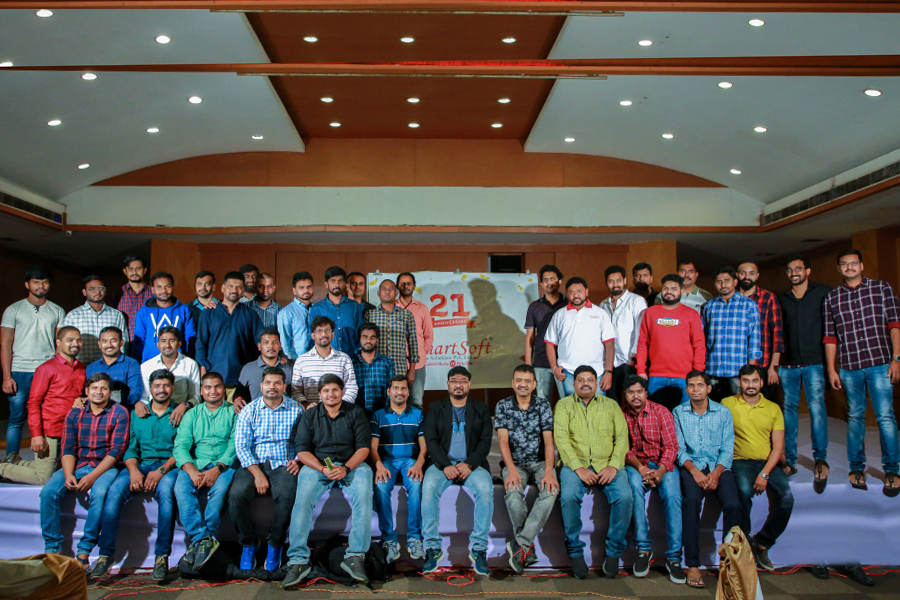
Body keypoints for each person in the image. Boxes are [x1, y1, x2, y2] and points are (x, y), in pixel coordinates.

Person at [282, 374, 373, 588]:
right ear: (319, 394)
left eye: (335, 389)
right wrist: (323, 468)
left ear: (342, 391)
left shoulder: (356, 413)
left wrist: (346, 468)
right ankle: (298, 560)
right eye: (325, 390)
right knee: (302, 501)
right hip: (319, 466)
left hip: (351, 465)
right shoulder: (309, 415)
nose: (330, 394)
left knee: (364, 494)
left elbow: (363, 448)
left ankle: (355, 556)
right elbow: (302, 451)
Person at [823, 248, 900, 495]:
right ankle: (856, 467)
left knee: (885, 417)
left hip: (880, 363)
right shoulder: (832, 298)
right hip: (849, 367)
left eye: (854, 262)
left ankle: (892, 470)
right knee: (855, 417)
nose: (849, 267)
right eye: (844, 263)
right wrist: (831, 369)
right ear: (839, 268)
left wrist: (896, 358)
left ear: (861, 265)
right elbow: (830, 337)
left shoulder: (882, 288)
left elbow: (895, 325)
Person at [94, 369, 180, 581]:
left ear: (172, 388)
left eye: (166, 385)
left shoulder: (181, 413)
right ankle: (105, 555)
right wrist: (133, 471)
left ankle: (161, 557)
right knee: (114, 492)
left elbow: (181, 450)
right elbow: (130, 449)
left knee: (167, 495)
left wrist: (161, 471)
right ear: (150, 389)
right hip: (140, 464)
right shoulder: (137, 414)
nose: (161, 390)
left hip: (169, 466)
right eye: (157, 386)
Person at [39, 373, 129, 570]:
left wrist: (92, 477)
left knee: (100, 493)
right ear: (86, 391)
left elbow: (116, 451)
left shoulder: (119, 412)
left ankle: (84, 552)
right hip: (78, 464)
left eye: (103, 388)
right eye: (94, 388)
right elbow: (68, 448)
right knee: (48, 492)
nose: (99, 392)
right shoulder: (74, 414)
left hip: (105, 466)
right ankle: (52, 549)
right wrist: (69, 474)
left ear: (110, 392)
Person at [555, 365, 631, 579]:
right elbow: (561, 438)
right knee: (568, 496)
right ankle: (575, 551)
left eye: (590, 380)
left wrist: (613, 465)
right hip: (575, 464)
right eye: (581, 380)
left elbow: (622, 437)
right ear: (573, 383)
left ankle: (613, 552)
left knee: (625, 497)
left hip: (607, 463)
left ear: (597, 383)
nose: (586, 383)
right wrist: (578, 468)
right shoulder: (563, 405)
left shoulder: (611, 405)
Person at [421, 367, 494, 577]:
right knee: (428, 488)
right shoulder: (436, 408)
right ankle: (433, 548)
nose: (458, 385)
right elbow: (431, 440)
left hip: (472, 465)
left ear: (469, 384)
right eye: (454, 381)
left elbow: (485, 442)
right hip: (442, 465)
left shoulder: (481, 409)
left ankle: (479, 549)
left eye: (463, 381)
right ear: (448, 384)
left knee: (485, 489)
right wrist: (446, 465)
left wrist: (469, 464)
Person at [672, 370, 741, 588]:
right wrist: (694, 471)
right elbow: (679, 449)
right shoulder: (678, 412)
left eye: (700, 385)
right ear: (687, 389)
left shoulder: (723, 412)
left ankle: (729, 563)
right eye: (692, 385)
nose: (696, 389)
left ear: (709, 388)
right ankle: (693, 564)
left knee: (733, 503)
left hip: (718, 466)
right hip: (691, 466)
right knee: (691, 501)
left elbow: (728, 448)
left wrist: (717, 472)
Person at [230, 368, 303, 571]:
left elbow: (304, 441)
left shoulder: (296, 409)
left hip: (284, 463)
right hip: (254, 462)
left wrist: (298, 460)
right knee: (236, 495)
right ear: (261, 386)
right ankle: (249, 543)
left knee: (287, 495)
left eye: (277, 383)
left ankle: (275, 544)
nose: (272, 387)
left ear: (284, 387)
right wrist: (258, 474)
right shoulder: (249, 410)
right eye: (268, 383)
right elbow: (242, 446)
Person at [722, 365, 793, 571]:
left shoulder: (773, 408)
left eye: (754, 381)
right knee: (744, 494)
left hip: (766, 461)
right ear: (739, 383)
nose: (750, 385)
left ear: (761, 382)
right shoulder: (727, 403)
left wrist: (764, 474)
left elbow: (778, 447)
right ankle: (744, 548)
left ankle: (762, 542)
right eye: (746, 381)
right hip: (740, 460)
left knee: (787, 498)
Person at [621, 375, 685, 583]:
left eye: (639, 392)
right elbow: (622, 448)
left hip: (662, 464)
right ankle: (643, 550)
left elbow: (671, 446)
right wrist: (640, 468)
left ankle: (674, 558)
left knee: (674, 497)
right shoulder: (621, 415)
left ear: (646, 393)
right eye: (631, 392)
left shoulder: (661, 412)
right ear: (626, 395)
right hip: (636, 465)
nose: (635, 396)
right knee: (633, 489)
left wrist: (661, 471)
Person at [0, 327, 84, 484]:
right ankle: (2, 468)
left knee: (61, 471)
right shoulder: (46, 369)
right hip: (50, 430)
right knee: (44, 478)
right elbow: (33, 403)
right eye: (70, 340)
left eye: (78, 340)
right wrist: (37, 435)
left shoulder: (81, 368)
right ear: (58, 342)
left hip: (71, 430)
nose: (75, 343)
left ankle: (17, 462)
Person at [494, 364, 558, 574]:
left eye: (527, 381)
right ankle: (526, 547)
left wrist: (549, 471)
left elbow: (549, 441)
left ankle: (520, 543)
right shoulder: (503, 406)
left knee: (550, 491)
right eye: (519, 380)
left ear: (534, 384)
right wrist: (511, 470)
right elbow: (503, 442)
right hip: (515, 464)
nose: (523, 384)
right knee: (513, 494)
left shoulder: (543, 405)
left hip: (540, 463)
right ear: (513, 383)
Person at [173, 371, 238, 572]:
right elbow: (181, 446)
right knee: (180, 488)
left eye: (217, 386)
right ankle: (202, 539)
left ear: (224, 390)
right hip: (197, 463)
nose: (213, 391)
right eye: (208, 387)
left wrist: (218, 469)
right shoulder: (192, 414)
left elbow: (235, 444)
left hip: (224, 464)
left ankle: (203, 541)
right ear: (201, 391)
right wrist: (191, 470)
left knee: (219, 493)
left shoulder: (233, 412)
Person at [2, 266, 66, 460]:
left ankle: (47, 463)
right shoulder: (13, 309)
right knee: (16, 419)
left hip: (47, 371)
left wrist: (60, 373)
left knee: (49, 418)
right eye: (36, 282)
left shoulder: (57, 310)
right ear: (27, 284)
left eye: (44, 282)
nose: (41, 286)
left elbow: (60, 345)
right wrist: (6, 377)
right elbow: (5, 344)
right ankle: (11, 461)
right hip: (20, 371)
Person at [778, 254, 832, 480]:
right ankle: (790, 460)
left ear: (807, 271)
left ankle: (820, 458)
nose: (794, 273)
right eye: (790, 270)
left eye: (798, 268)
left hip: (814, 362)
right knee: (789, 411)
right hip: (788, 364)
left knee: (817, 409)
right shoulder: (781, 298)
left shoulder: (824, 292)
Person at [370, 376, 427, 563]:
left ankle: (415, 538)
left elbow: (424, 446)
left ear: (408, 392)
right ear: (388, 392)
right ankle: (388, 539)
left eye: (403, 388)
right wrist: (378, 464)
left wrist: (419, 464)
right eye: (396, 388)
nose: (399, 392)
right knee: (380, 486)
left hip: (410, 461)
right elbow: (372, 447)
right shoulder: (378, 416)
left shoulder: (418, 414)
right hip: (387, 461)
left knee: (416, 485)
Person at [636, 274, 706, 409]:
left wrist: (697, 372)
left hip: (684, 376)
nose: (669, 292)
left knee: (684, 415)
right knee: (656, 415)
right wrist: (640, 369)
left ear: (681, 291)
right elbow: (642, 343)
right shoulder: (650, 313)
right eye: (666, 288)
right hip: (656, 375)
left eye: (674, 289)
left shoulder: (692, 314)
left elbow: (699, 345)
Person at [195, 271, 262, 402]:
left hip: (240, 379)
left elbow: (261, 342)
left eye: (238, 287)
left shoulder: (250, 314)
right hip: (213, 376)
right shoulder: (208, 312)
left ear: (243, 290)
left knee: (235, 413)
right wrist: (203, 369)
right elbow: (200, 343)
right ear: (222, 288)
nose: (234, 290)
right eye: (230, 286)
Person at [544, 276, 616, 398]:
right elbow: (550, 343)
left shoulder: (600, 314)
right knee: (571, 407)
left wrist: (608, 372)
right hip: (568, 372)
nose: (575, 295)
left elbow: (609, 345)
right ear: (567, 294)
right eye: (571, 292)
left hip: (597, 372)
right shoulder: (559, 315)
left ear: (586, 292)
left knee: (597, 407)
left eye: (579, 291)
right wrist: (554, 367)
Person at [702, 266, 761, 401]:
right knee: (715, 407)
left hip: (738, 368)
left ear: (735, 282)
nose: (723, 285)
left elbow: (754, 337)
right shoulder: (709, 307)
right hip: (713, 368)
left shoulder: (749, 305)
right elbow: (703, 337)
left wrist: (751, 368)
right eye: (719, 281)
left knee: (740, 406)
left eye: (727, 280)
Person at [737, 261, 784, 399]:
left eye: (751, 273)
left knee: (765, 404)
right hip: (734, 364)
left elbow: (777, 334)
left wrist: (773, 366)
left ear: (757, 276)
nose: (747, 276)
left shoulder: (768, 298)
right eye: (743, 273)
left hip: (762, 363)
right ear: (737, 275)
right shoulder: (731, 299)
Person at [599, 265, 646, 401]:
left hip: (629, 362)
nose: (615, 284)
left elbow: (641, 331)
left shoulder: (636, 301)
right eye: (611, 281)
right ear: (606, 283)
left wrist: (634, 358)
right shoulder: (603, 305)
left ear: (625, 280)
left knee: (631, 401)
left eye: (618, 280)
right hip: (609, 364)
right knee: (611, 402)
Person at [291, 316, 358, 407]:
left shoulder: (344, 359)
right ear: (313, 335)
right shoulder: (301, 361)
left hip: (339, 412)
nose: (324, 334)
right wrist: (307, 406)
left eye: (327, 330)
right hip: (310, 412)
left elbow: (352, 388)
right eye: (319, 331)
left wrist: (338, 407)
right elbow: (296, 390)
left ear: (332, 334)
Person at [131, 271, 196, 362]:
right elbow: (139, 340)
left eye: (167, 286)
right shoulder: (143, 312)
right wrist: (136, 364)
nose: (163, 291)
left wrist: (190, 361)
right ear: (153, 289)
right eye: (159, 287)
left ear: (173, 287)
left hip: (179, 363)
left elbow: (190, 337)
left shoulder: (184, 310)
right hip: (150, 363)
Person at [524, 265, 566, 403]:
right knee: (542, 402)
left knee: (567, 400)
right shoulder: (534, 307)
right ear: (541, 284)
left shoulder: (568, 305)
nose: (549, 282)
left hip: (565, 362)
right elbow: (529, 338)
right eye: (546, 280)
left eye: (552, 279)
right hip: (541, 362)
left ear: (559, 281)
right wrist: (528, 366)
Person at [138, 327, 201, 420]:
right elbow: (145, 397)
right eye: (163, 341)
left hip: (182, 415)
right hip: (154, 415)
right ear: (158, 344)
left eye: (172, 341)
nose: (167, 345)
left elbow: (196, 396)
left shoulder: (190, 364)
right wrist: (139, 403)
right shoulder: (146, 366)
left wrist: (185, 405)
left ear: (179, 344)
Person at [63, 275, 126, 365]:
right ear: (84, 292)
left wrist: (121, 364)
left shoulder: (116, 315)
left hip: (111, 366)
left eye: (100, 288)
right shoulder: (73, 316)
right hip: (82, 367)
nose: (97, 292)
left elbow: (124, 343)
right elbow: (66, 345)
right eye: (92, 289)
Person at [364, 279, 418, 380]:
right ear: (379, 294)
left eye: (391, 289)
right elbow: (365, 343)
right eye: (384, 289)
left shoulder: (406, 314)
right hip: (376, 369)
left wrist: (412, 370)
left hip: (399, 368)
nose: (387, 292)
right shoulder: (370, 315)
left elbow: (413, 342)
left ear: (396, 293)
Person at [396, 272, 434, 409]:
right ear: (397, 286)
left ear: (414, 286)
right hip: (396, 362)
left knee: (416, 401)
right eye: (402, 283)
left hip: (417, 364)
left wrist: (421, 353)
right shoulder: (391, 307)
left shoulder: (422, 308)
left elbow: (429, 335)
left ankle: (416, 424)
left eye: (409, 283)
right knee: (396, 400)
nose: (406, 286)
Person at [234, 327, 293, 412]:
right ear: (259, 346)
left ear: (280, 346)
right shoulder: (248, 369)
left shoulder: (289, 368)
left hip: (284, 415)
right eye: (266, 342)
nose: (271, 346)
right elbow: (239, 392)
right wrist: (237, 399)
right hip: (256, 415)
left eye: (275, 342)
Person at [308, 266, 363, 354]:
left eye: (340, 281)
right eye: (333, 281)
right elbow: (312, 337)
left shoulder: (354, 306)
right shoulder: (317, 308)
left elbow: (360, 333)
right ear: (326, 284)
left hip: (351, 357)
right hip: (325, 358)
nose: (337, 285)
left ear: (344, 284)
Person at [85, 326, 143, 410]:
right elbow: (87, 393)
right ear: (99, 344)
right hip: (96, 412)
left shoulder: (131, 364)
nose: (109, 345)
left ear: (121, 343)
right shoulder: (91, 368)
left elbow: (135, 393)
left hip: (122, 410)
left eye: (113, 341)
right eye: (104, 341)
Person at [351, 323, 395, 416]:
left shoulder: (387, 362)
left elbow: (391, 390)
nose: (368, 341)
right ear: (359, 339)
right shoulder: (350, 362)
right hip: (356, 415)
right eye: (365, 337)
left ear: (377, 340)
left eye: (372, 337)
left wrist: (385, 413)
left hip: (382, 414)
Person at [278, 271, 314, 361]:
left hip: (316, 360)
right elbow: (284, 341)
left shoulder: (317, 309)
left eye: (309, 286)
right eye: (301, 287)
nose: (306, 290)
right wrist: (291, 361)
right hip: (295, 361)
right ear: (294, 290)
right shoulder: (286, 312)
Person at [117, 255, 153, 342]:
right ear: (125, 271)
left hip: (148, 342)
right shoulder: (117, 295)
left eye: (138, 269)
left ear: (145, 270)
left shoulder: (154, 294)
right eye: (131, 269)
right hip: (124, 343)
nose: (134, 272)